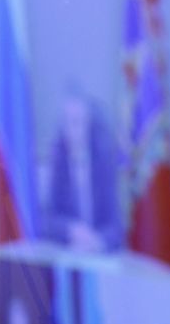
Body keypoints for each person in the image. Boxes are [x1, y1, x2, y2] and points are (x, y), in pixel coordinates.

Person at [44, 92, 122, 252]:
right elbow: (47, 221)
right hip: (67, 253)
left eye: (76, 122)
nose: (69, 130)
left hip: (99, 255)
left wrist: (97, 241)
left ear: (89, 125)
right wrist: (71, 229)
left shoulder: (104, 162)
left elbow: (116, 227)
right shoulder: (58, 160)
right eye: (65, 122)